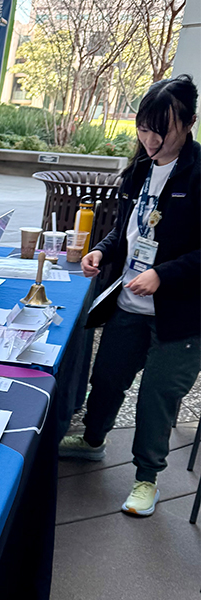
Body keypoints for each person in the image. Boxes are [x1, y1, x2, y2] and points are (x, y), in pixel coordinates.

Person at [59, 74, 201, 517]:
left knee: (158, 396)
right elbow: (127, 229)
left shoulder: (198, 174)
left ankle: (146, 478)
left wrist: (164, 274)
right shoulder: (139, 169)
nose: (151, 138)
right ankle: (93, 438)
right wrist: (102, 251)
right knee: (108, 377)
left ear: (191, 122)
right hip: (129, 300)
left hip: (181, 315)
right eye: (144, 127)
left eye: (164, 128)